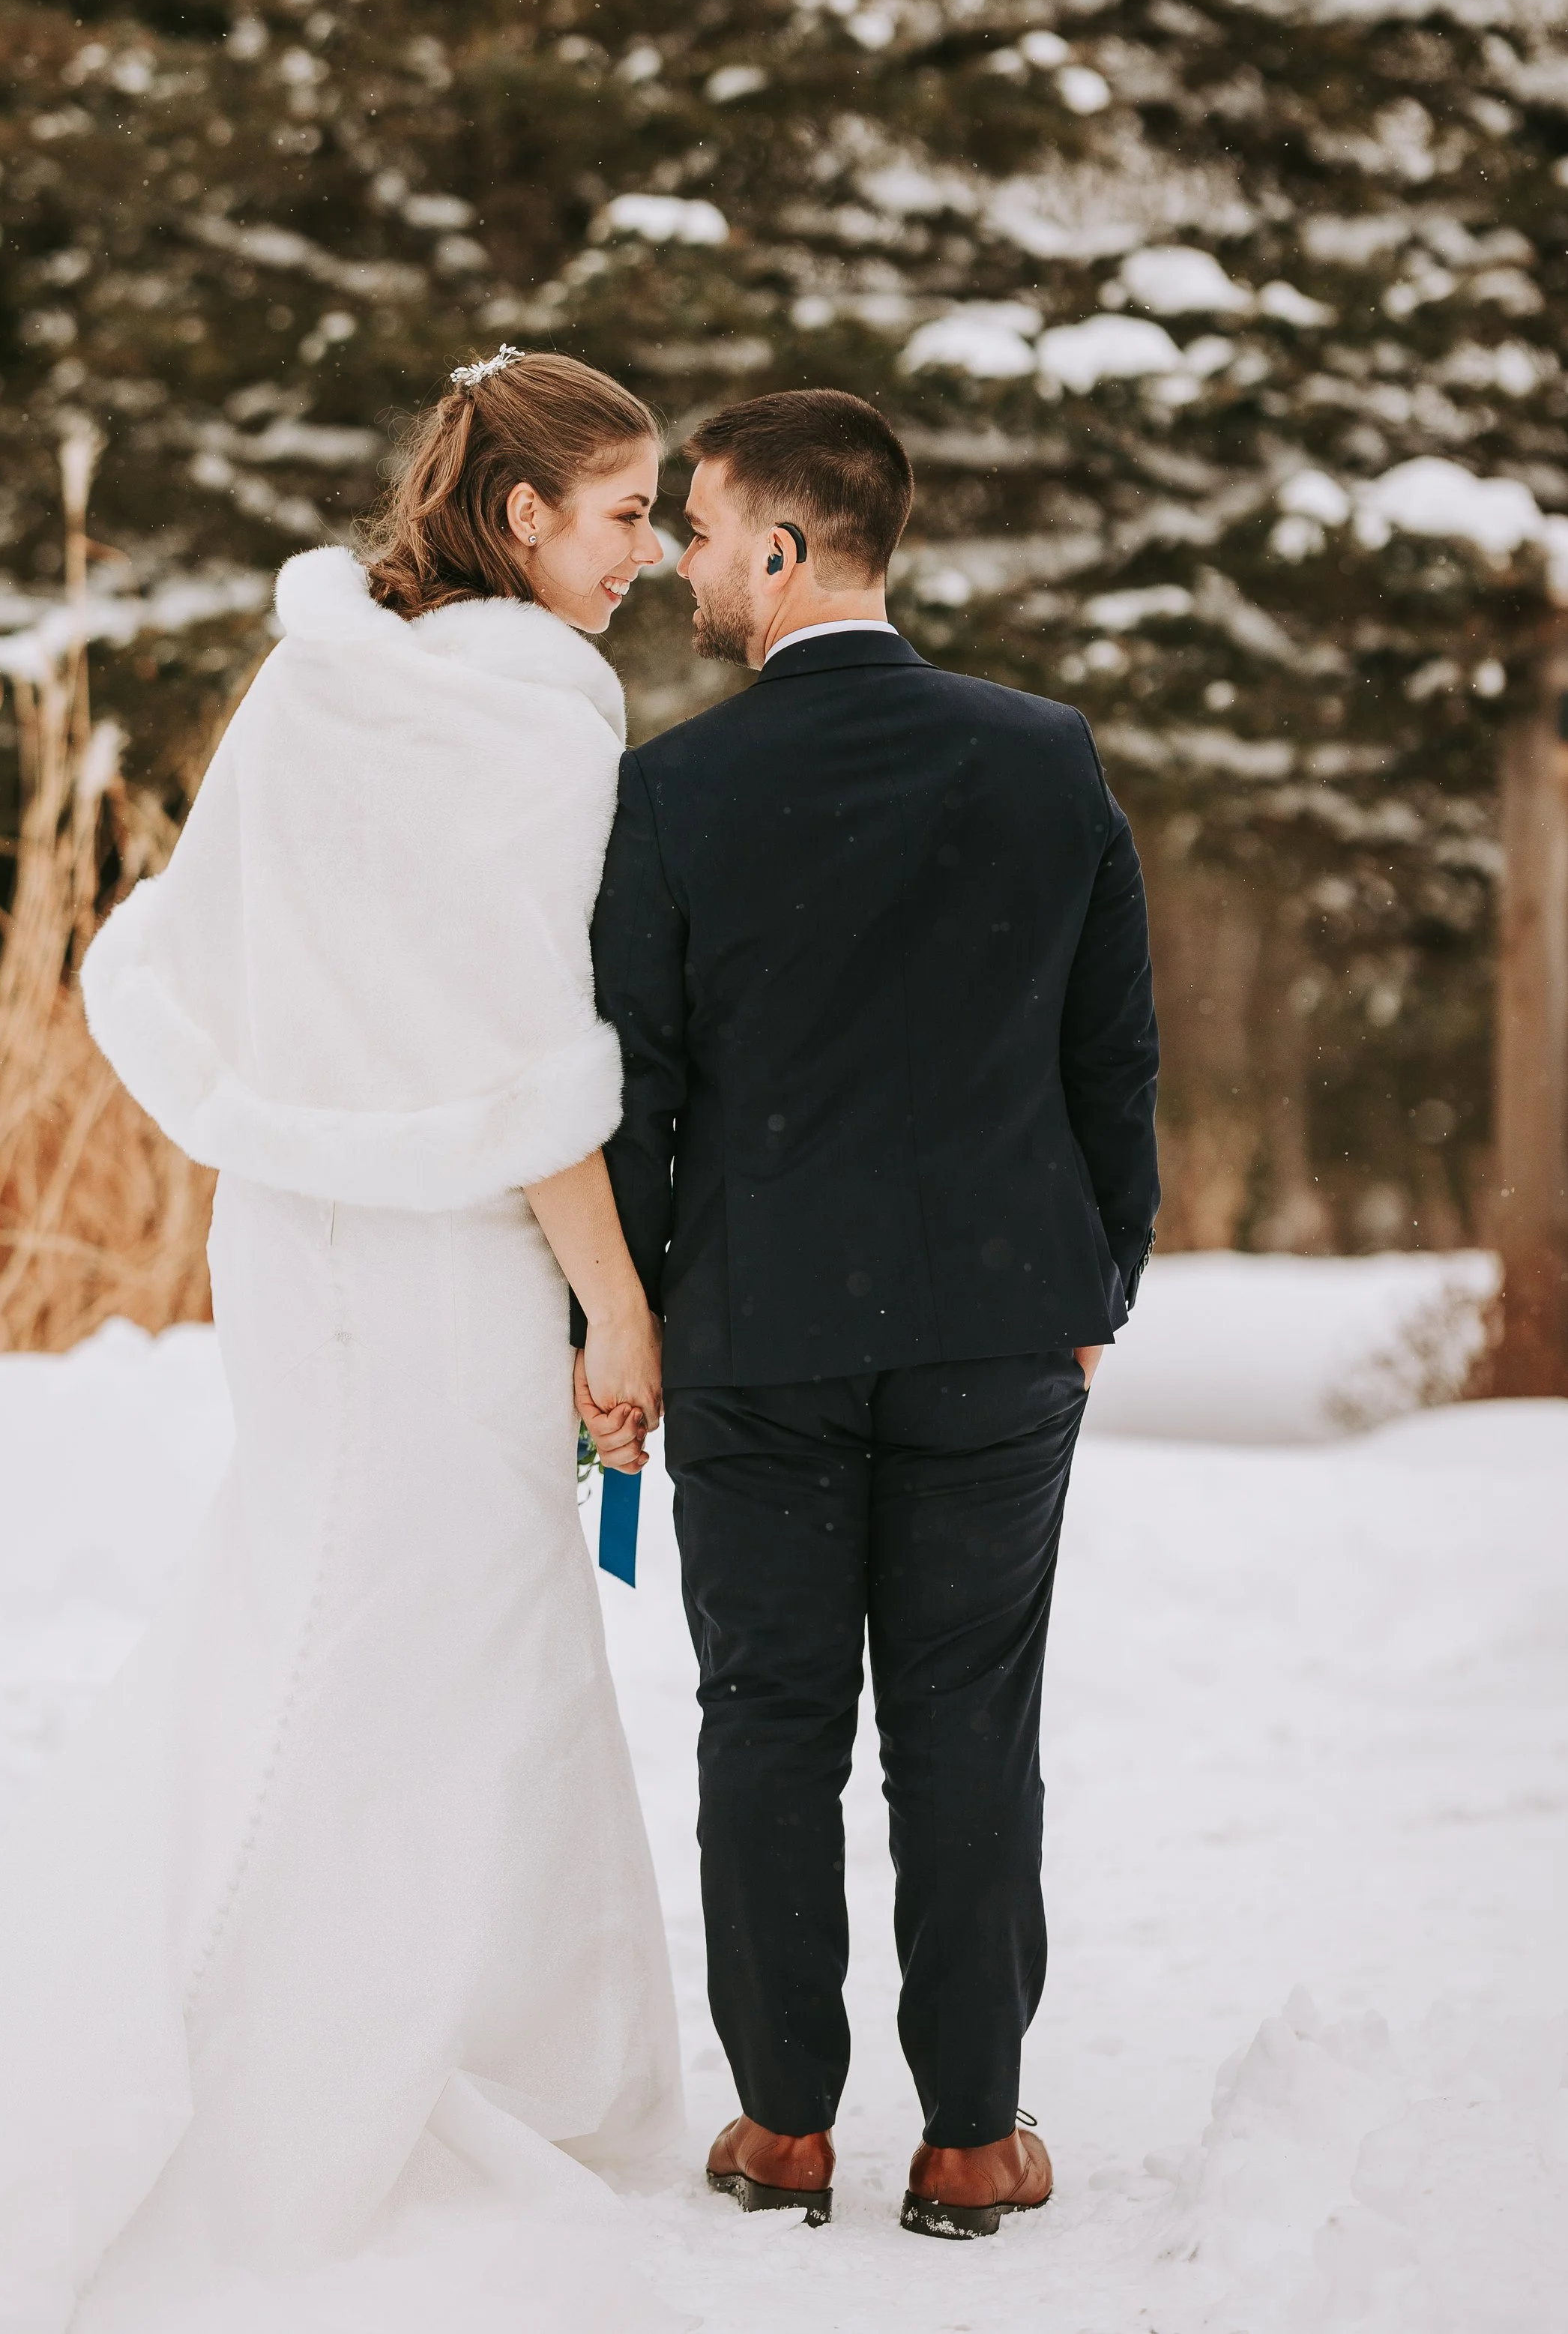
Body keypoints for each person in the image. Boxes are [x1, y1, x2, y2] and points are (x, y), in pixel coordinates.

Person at [0, 348, 683, 2334]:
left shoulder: (320, 676)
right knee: (414, 1646)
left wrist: (314, 1100)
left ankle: (436, 2034)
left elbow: (167, 941)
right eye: (620, 514)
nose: (647, 560)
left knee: (328, 1618)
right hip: (440, 1255)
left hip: (289, 1229)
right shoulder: (533, 717)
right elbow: (515, 1056)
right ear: (517, 518)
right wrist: (616, 1293)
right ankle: (262, 2095)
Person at [575, 388, 1159, 2241]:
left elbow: (639, 1090)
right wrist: (1094, 1283)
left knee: (764, 1717)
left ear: (783, 549)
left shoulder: (672, 790)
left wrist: (636, 1319)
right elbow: (1109, 1057)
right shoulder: (1043, 756)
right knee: (968, 1723)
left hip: (757, 1333)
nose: (676, 560)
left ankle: (784, 2130)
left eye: (698, 528)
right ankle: (974, 2139)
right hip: (999, 1329)